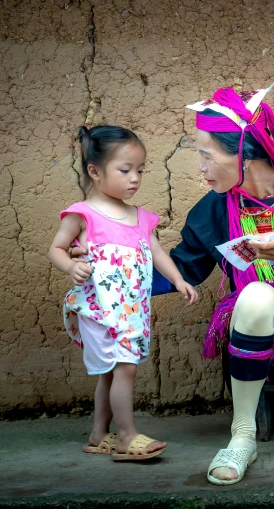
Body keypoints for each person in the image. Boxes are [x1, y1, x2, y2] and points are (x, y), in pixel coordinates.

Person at [66, 85, 274, 484]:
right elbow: (183, 267)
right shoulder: (215, 208)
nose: (201, 167)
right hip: (257, 318)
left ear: (244, 155)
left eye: (205, 155)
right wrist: (103, 270)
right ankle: (242, 434)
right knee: (255, 293)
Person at [49, 125, 198, 461]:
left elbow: (158, 254)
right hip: (98, 310)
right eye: (125, 170)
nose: (135, 178)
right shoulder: (83, 214)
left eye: (140, 171)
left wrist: (178, 280)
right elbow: (56, 249)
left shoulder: (142, 218)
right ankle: (127, 437)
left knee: (111, 373)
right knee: (124, 367)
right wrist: (71, 266)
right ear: (95, 172)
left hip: (131, 311)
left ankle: (99, 434)